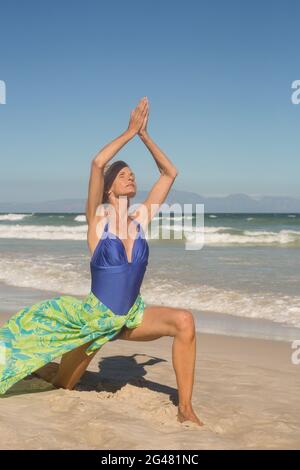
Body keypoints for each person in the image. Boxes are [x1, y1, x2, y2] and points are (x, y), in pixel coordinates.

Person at [0, 97, 202, 426]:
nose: (131, 177)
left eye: (133, 174)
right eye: (123, 174)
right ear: (108, 188)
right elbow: (97, 162)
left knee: (184, 321)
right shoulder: (97, 221)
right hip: (94, 322)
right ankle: (49, 366)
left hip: (130, 318)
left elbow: (170, 172)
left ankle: (186, 409)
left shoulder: (140, 219)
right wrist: (128, 131)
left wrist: (145, 136)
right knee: (63, 385)